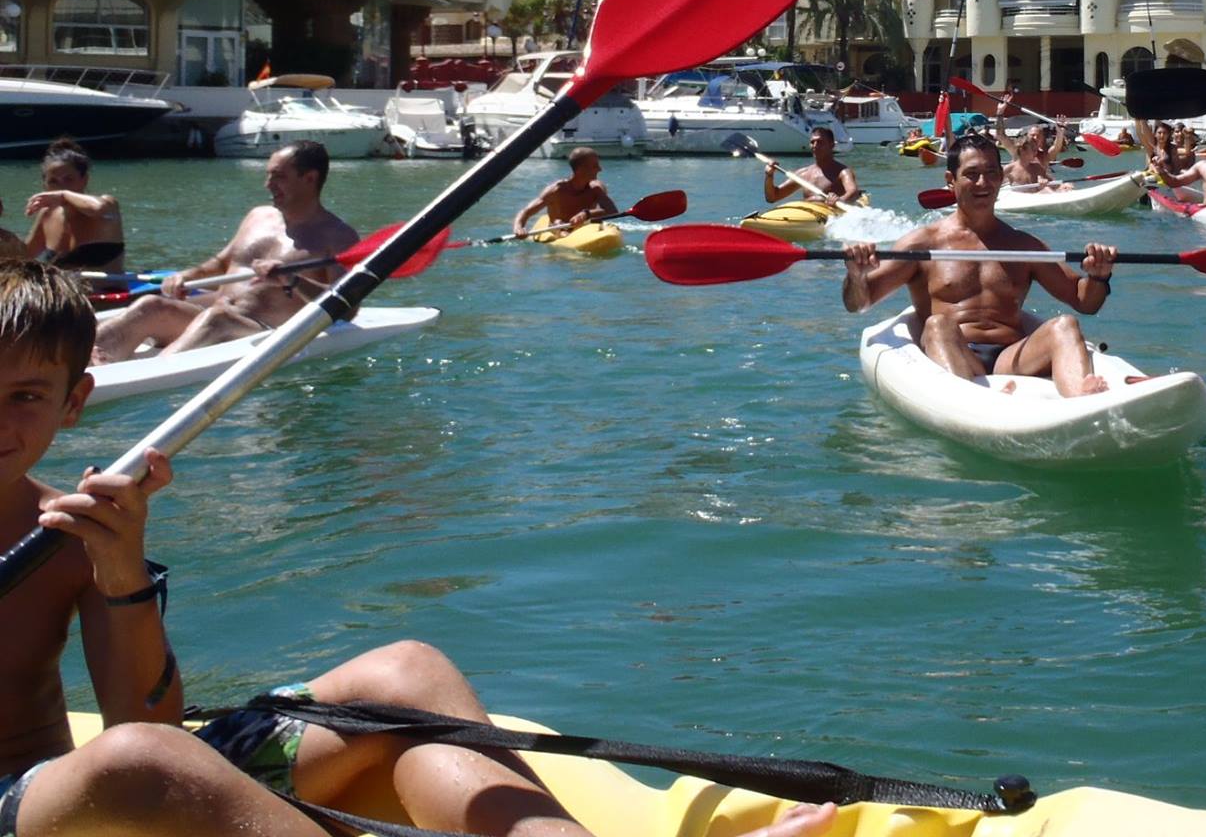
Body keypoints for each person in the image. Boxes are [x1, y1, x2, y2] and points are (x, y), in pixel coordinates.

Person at [0, 260, 832, 837]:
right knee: (137, 764)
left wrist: (122, 572)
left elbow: (150, 723)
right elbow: (143, 753)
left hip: (72, 784)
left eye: (26, 396)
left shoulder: (68, 535)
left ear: (74, 403)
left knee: (404, 672)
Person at [840, 133, 1113, 396]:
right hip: (953, 350)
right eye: (971, 174)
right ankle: (975, 400)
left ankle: (1084, 398)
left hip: (1011, 357)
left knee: (1065, 325)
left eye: (992, 173)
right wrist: (856, 275)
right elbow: (859, 303)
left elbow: (1085, 302)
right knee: (937, 325)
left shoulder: (1024, 246)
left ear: (1001, 178)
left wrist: (1098, 276)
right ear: (951, 180)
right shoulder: (923, 244)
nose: (983, 183)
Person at [91, 144, 356, 363]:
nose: (268, 184)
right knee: (151, 305)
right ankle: (85, 361)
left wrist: (293, 280)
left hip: (262, 329)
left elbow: (347, 309)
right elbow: (221, 262)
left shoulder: (337, 236)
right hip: (214, 315)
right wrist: (185, 275)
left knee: (218, 319)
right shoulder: (258, 216)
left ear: (309, 178)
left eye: (279, 176)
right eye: (268, 175)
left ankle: (144, 374)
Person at [22, 140, 125, 271]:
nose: (60, 186)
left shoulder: (108, 204)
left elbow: (96, 209)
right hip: (59, 291)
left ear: (84, 180)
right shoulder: (46, 215)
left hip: (106, 289)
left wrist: (64, 195)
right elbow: (22, 256)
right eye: (53, 181)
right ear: (45, 186)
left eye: (68, 179)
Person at [513, 147, 620, 236]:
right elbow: (525, 212)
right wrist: (519, 228)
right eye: (595, 166)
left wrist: (586, 214)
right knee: (557, 222)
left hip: (586, 229)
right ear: (581, 169)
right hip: (559, 229)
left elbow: (613, 212)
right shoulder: (556, 191)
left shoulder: (596, 188)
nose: (600, 169)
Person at [761, 126, 863, 207]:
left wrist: (840, 200)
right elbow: (772, 197)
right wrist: (769, 176)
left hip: (829, 213)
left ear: (831, 145)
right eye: (812, 142)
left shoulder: (843, 172)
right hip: (808, 213)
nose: (815, 145)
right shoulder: (803, 173)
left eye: (820, 142)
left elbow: (853, 192)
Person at [992, 96, 1070, 188]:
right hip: (1020, 191)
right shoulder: (1018, 151)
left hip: (1039, 189)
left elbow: (1057, 146)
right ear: (1027, 137)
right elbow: (1000, 135)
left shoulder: (1045, 156)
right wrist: (1000, 112)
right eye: (1032, 135)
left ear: (1042, 140)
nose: (1035, 138)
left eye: (1038, 136)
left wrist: (1060, 132)